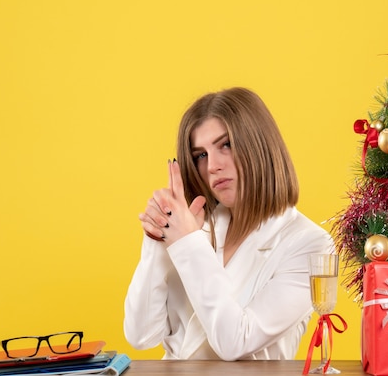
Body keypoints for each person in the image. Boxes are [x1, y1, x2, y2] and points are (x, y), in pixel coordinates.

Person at [123, 87, 335, 360]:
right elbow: (141, 335)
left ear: (260, 146)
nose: (212, 166)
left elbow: (235, 342)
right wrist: (160, 235)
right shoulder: (195, 227)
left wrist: (187, 243)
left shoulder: (310, 244)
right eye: (201, 155)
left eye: (226, 144)